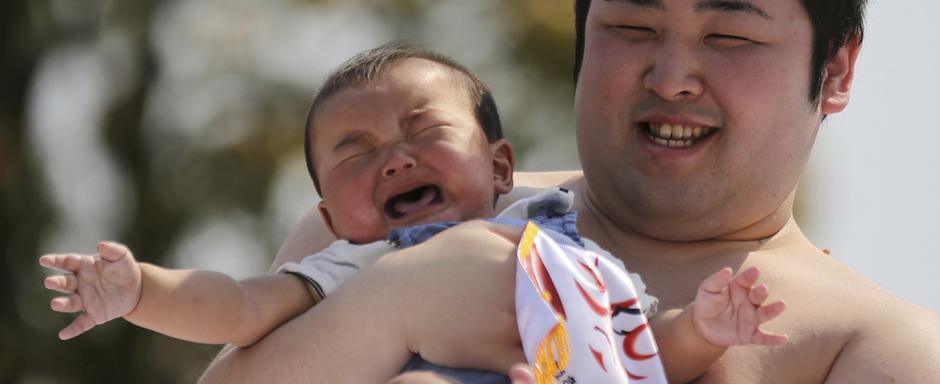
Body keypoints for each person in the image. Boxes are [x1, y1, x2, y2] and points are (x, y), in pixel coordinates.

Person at [201, 0, 940, 383]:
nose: (670, 79)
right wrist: (399, 302)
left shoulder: (878, 348)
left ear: (835, 71)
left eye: (730, 37)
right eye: (631, 26)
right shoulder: (375, 224)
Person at [40, 43, 787, 383]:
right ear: (330, 215)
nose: (394, 159)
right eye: (356, 153)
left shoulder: (559, 233)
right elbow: (235, 308)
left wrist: (701, 329)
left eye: (423, 132)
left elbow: (641, 346)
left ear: (500, 166)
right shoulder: (346, 265)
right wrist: (139, 291)